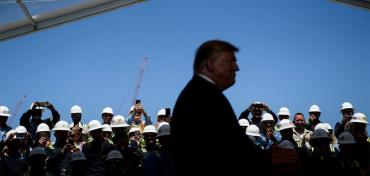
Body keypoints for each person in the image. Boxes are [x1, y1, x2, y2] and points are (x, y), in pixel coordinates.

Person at [171, 40, 269, 175]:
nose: (237, 67)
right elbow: (235, 148)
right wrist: (270, 158)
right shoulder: (206, 96)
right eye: (231, 61)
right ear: (211, 63)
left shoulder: (199, 92)